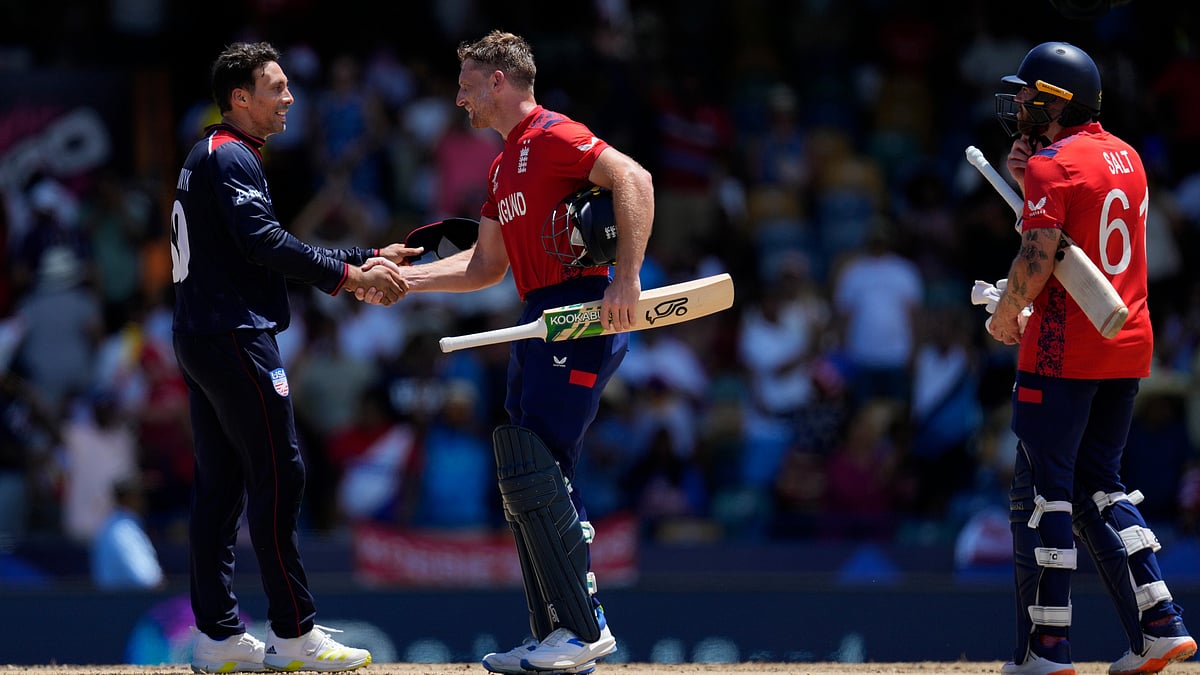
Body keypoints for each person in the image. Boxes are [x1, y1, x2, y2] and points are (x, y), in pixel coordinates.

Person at [359, 30, 653, 675]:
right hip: (536, 312)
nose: (459, 97)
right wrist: (403, 280)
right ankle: (556, 629)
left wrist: (628, 280)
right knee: (526, 466)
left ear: (498, 80)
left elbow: (634, 177)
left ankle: (584, 627)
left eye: (466, 83)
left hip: (579, 308)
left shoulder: (552, 135)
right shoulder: (502, 164)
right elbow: (485, 266)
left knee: (541, 463)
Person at [172, 41, 417, 674]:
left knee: (222, 487)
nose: (289, 99)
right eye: (276, 88)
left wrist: (356, 259)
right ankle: (294, 635)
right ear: (240, 99)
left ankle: (219, 637)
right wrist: (351, 272)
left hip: (204, 336)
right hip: (233, 335)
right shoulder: (229, 158)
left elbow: (257, 243)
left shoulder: (213, 155)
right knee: (280, 475)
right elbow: (265, 244)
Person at [987, 41, 1197, 675]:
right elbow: (1082, 230)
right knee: (1102, 484)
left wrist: (1005, 312)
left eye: (1028, 96)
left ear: (1055, 101)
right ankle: (1160, 624)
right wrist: (1031, 180)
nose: (1019, 104)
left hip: (1060, 351)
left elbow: (1039, 256)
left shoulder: (1054, 165)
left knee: (1044, 494)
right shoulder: (1126, 156)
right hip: (1127, 341)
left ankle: (1045, 651)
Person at [90, 476, 164, 591]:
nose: (144, 500)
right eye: (140, 496)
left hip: (119, 600)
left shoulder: (117, 524)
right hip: (125, 603)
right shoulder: (123, 530)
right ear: (127, 498)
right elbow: (147, 579)